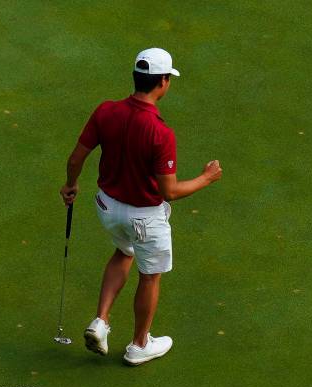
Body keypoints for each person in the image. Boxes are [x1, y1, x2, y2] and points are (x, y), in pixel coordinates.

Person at [60, 47, 222, 365]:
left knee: (124, 252)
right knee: (150, 276)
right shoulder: (160, 132)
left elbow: (76, 158)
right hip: (144, 218)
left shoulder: (106, 110)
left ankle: (101, 321)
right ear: (163, 82)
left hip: (107, 207)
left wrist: (71, 185)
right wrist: (206, 178)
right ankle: (139, 345)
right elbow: (170, 191)